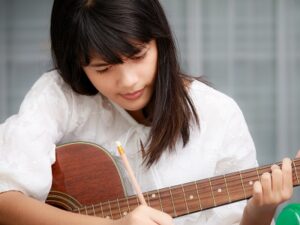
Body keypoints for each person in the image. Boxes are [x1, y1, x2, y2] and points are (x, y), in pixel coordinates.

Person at [0, 0, 298, 225]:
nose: (128, 81)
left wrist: (261, 210)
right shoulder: (60, 96)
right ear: (77, 65)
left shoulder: (217, 114)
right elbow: (5, 200)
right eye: (103, 68)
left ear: (160, 40)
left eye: (138, 55)